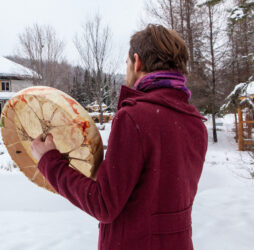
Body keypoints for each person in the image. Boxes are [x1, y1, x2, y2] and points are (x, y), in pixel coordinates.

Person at [30, 24, 208, 250]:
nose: (127, 71)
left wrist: (50, 161)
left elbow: (103, 204)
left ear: (137, 61)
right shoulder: (194, 123)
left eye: (127, 64)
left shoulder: (134, 118)